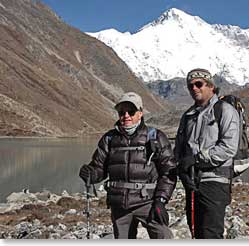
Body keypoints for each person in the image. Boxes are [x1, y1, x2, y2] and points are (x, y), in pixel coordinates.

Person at [79, 92, 177, 239]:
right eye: (121, 112)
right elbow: (100, 169)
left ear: (140, 113)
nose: (126, 115)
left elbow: (169, 172)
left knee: (164, 236)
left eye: (131, 111)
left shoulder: (155, 137)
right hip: (119, 206)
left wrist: (161, 200)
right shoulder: (109, 138)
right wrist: (90, 174)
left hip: (148, 203)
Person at [174, 68, 240, 239]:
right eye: (190, 86)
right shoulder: (188, 115)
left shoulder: (224, 110)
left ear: (211, 86)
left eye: (198, 84)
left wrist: (196, 159)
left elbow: (228, 147)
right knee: (195, 230)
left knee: (211, 233)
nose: (194, 88)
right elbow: (179, 149)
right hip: (192, 182)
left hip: (215, 182)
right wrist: (181, 169)